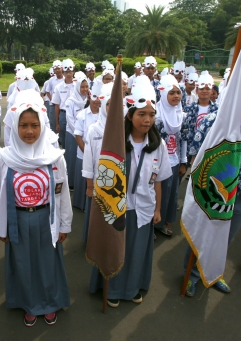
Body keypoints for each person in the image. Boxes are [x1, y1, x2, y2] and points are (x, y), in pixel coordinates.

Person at [185, 56, 241, 296]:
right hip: (214, 192)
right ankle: (192, 275)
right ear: (236, 89)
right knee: (203, 233)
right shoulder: (216, 121)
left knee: (225, 238)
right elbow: (196, 155)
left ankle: (214, 274)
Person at [89, 76, 171, 307]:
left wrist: (157, 208)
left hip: (144, 208)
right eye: (141, 114)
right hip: (118, 206)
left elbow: (159, 181)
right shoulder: (116, 142)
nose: (147, 120)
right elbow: (103, 176)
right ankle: (112, 289)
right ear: (129, 114)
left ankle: (133, 287)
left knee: (137, 252)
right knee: (116, 247)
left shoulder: (158, 145)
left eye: (151, 115)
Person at [0, 94, 72, 327]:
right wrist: (1, 225)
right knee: (23, 264)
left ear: (43, 126)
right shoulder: (4, 158)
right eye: (23, 125)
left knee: (48, 263)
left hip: (46, 218)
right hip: (17, 219)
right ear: (15, 127)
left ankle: (49, 302)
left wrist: (64, 224)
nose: (29, 131)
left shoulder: (55, 158)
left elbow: (63, 192)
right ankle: (28, 304)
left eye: (34, 125)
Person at [150, 75, 187, 237]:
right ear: (163, 94)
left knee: (171, 195)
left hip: (175, 160)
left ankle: (164, 221)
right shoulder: (155, 114)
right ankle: (152, 223)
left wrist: (183, 161)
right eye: (171, 93)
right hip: (157, 162)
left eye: (178, 92)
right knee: (157, 193)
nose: (176, 96)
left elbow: (183, 140)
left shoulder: (181, 115)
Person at [82, 83, 113, 242]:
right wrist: (89, 185)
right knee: (96, 212)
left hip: (116, 182)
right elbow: (88, 158)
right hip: (96, 181)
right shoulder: (94, 129)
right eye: (109, 104)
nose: (112, 107)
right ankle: (93, 240)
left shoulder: (123, 128)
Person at [73, 86, 100, 212]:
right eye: (94, 97)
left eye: (100, 97)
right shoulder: (82, 115)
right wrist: (88, 153)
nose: (97, 100)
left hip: (100, 156)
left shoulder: (104, 114)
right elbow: (78, 136)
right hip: (83, 154)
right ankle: (81, 205)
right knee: (83, 182)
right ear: (89, 97)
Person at [65, 71, 89, 191]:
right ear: (77, 87)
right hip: (72, 133)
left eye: (86, 86)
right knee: (72, 158)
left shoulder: (88, 100)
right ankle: (71, 184)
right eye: (82, 87)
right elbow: (69, 119)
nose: (84, 89)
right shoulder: (70, 101)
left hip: (85, 135)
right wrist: (78, 132)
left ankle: (82, 183)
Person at [51, 59, 75, 147]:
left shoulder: (78, 85)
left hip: (76, 114)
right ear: (63, 73)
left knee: (76, 137)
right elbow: (57, 105)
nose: (68, 74)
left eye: (70, 72)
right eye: (66, 72)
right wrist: (57, 122)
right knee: (64, 138)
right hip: (63, 115)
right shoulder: (58, 87)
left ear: (73, 72)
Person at [45, 60, 64, 133]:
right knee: (53, 122)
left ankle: (61, 141)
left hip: (63, 105)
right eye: (55, 69)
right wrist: (52, 100)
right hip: (53, 105)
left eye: (59, 68)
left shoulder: (65, 79)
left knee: (62, 122)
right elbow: (47, 91)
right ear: (53, 70)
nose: (57, 70)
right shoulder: (51, 80)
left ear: (62, 68)